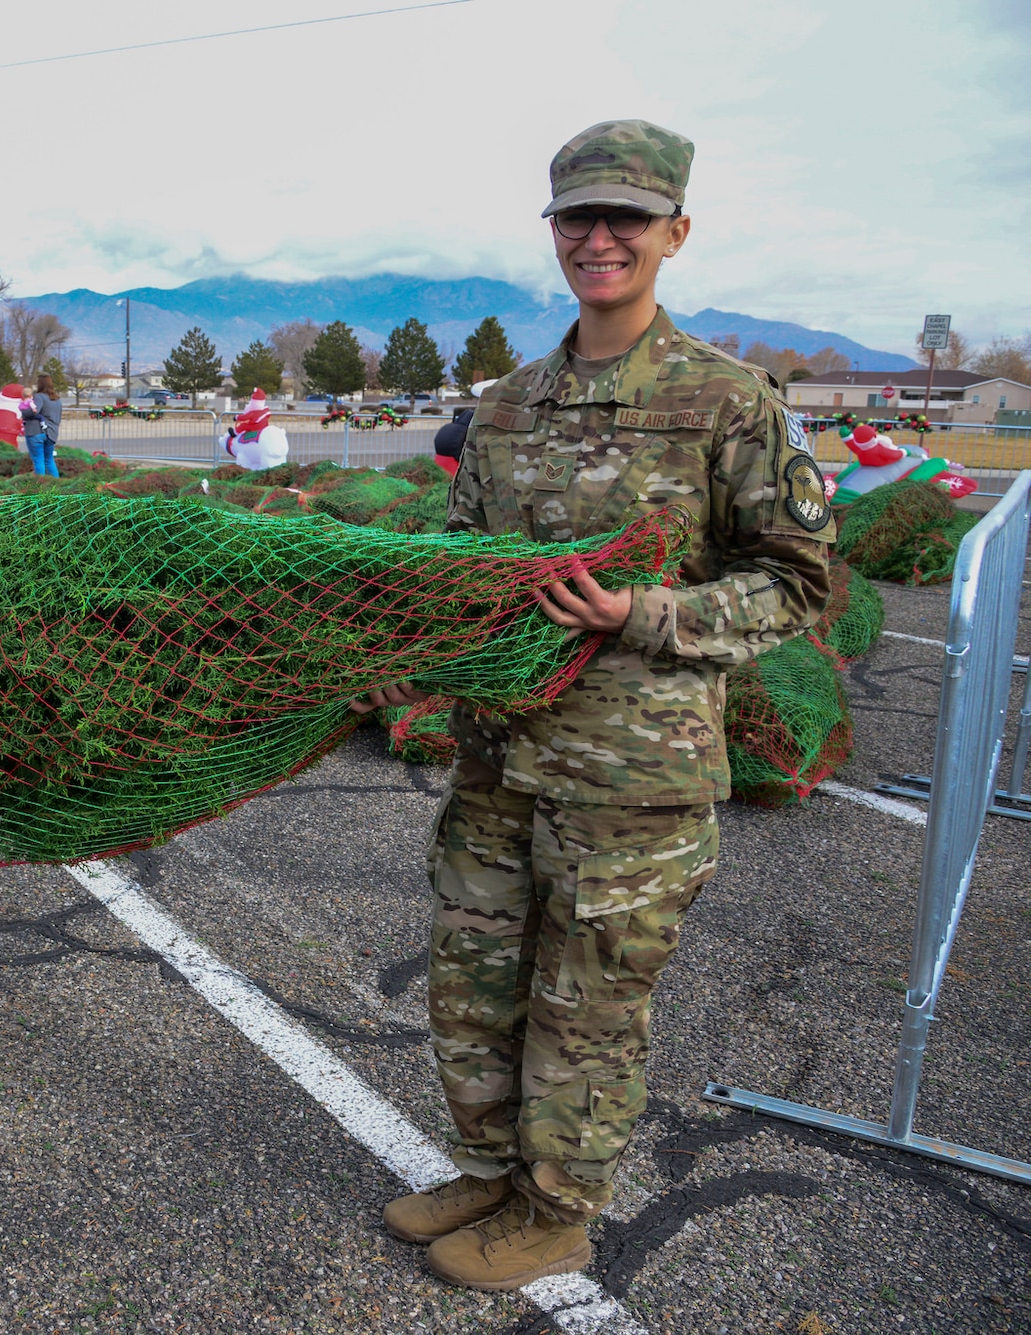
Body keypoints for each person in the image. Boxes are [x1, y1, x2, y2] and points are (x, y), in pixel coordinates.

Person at [363, 120, 832, 1291]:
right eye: (578, 217)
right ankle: (485, 1170)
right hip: (496, 762)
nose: (600, 238)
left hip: (630, 782)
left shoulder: (725, 403)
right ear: (553, 235)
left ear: (674, 231)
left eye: (626, 216)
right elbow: (463, 564)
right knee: (472, 983)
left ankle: (555, 1210)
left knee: (583, 1011)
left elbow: (796, 581)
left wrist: (646, 616)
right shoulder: (507, 404)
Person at [25, 373, 64, 476]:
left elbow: (34, 411)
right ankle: (57, 486)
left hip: (36, 432)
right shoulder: (57, 400)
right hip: (52, 433)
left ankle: (40, 487)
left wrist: (23, 412)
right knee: (49, 461)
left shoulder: (39, 397)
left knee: (38, 461)